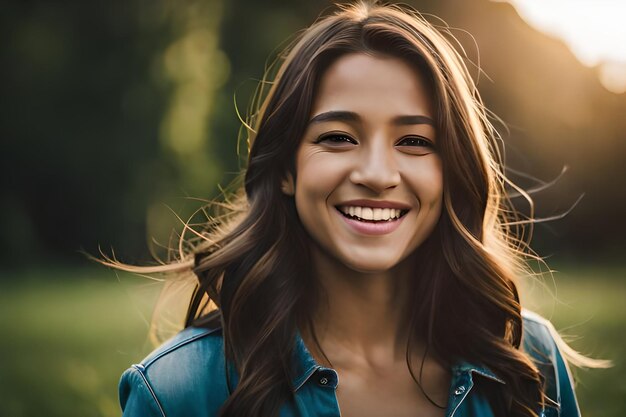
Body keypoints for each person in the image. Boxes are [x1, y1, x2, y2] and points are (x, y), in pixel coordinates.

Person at [112, 2, 607, 416]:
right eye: (338, 137)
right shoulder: (175, 391)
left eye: (414, 140)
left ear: (453, 170)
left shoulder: (528, 362)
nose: (375, 173)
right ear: (286, 168)